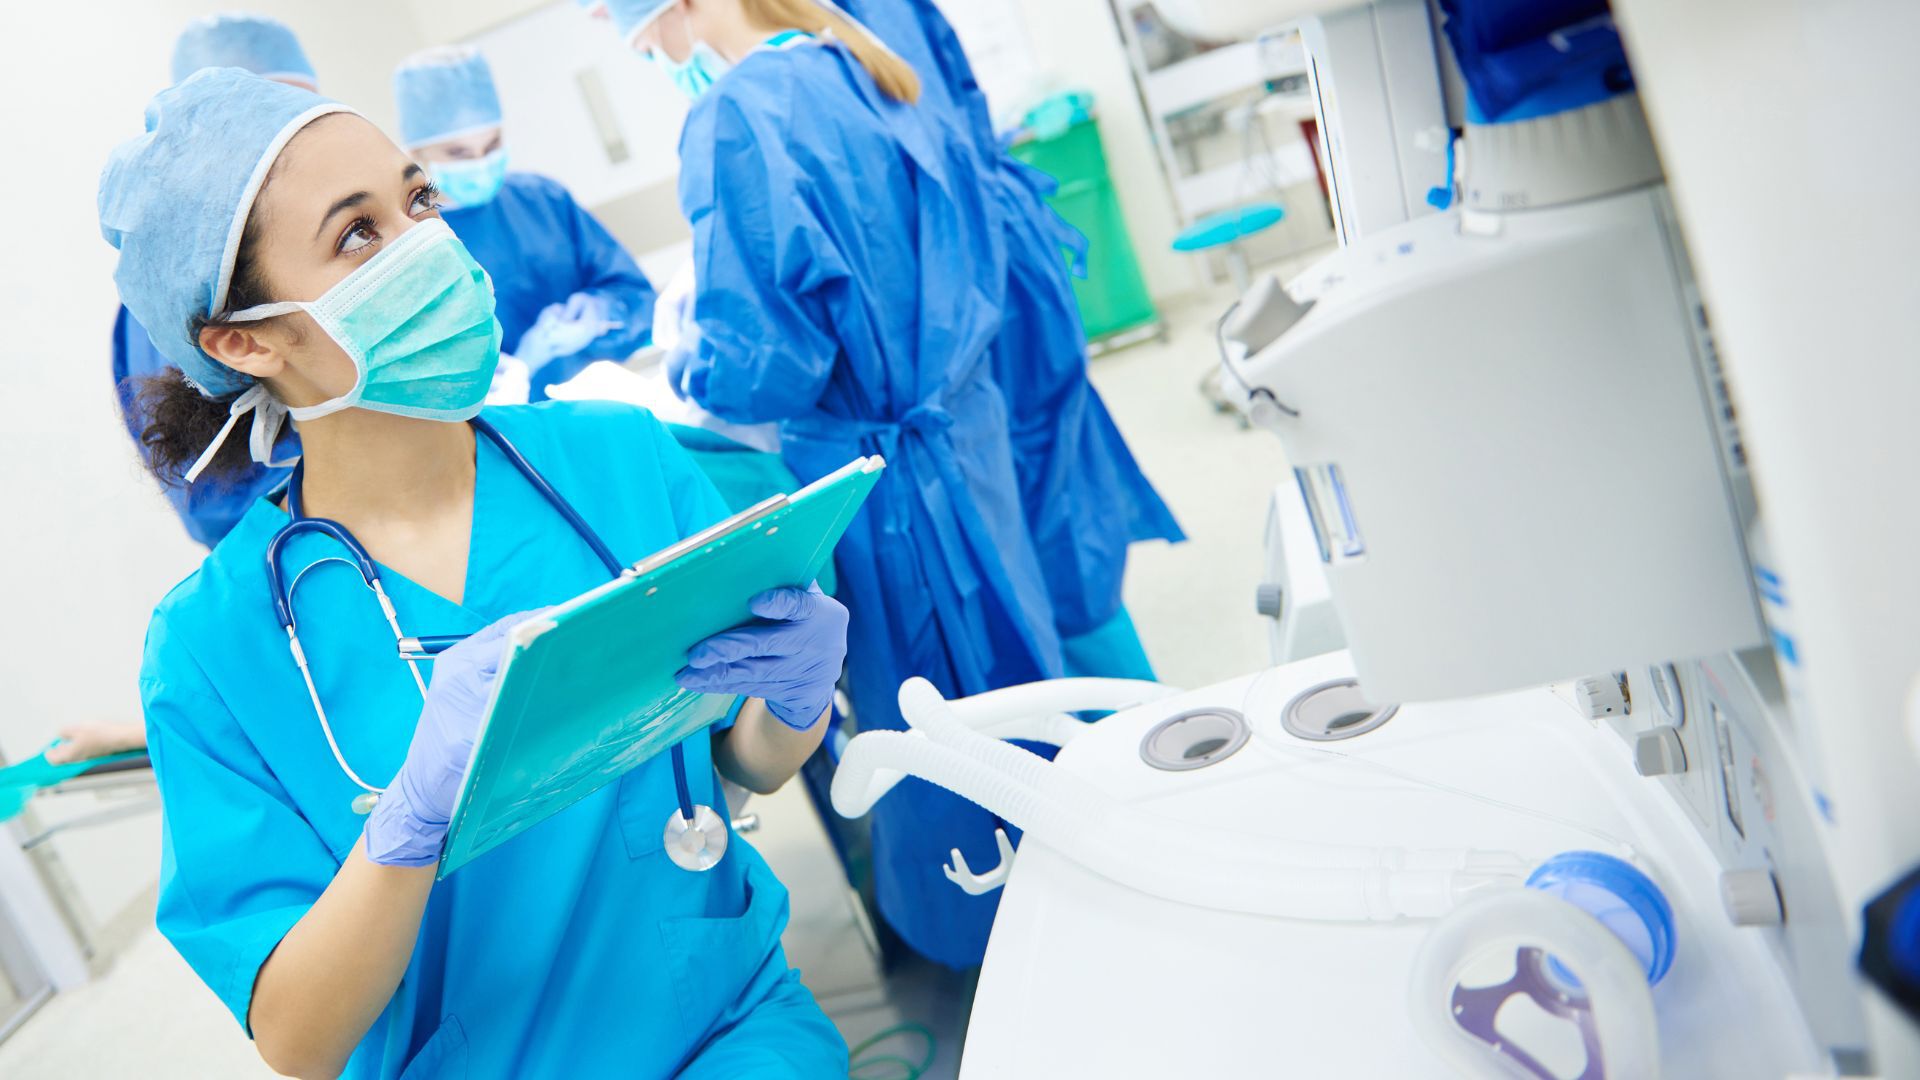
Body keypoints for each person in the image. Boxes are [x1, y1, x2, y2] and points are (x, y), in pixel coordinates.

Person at [100, 69, 849, 1077]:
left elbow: (745, 762)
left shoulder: (622, 461)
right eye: (358, 234)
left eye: (418, 199)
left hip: (730, 1027)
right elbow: (297, 1036)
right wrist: (407, 827)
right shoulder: (211, 649)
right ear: (247, 340)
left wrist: (796, 696)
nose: (429, 248)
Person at [606, 0, 1063, 969]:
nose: (656, 57)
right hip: (965, 439)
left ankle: (1005, 951)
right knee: (1023, 691)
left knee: (936, 728)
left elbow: (762, 362)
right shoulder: (867, 66)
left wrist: (683, 349)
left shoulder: (737, 117)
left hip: (889, 491)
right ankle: (1076, 886)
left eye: (646, 37)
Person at [839, 0, 1185, 680]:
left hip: (978, 292)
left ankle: (1133, 733)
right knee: (1042, 536)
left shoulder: (843, 24)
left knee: (1054, 542)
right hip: (973, 281)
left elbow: (924, 157)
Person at [113, 12, 320, 549]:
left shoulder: (325, 238)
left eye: (307, 114)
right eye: (272, 116)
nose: (300, 137)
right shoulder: (166, 300)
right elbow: (211, 496)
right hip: (312, 553)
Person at [395, 46, 658, 401]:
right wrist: (506, 377)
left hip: (598, 411)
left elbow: (637, 298)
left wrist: (601, 314)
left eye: (492, 144)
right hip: (500, 441)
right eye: (458, 153)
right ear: (417, 152)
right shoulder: (408, 243)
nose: (480, 161)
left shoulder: (542, 200)